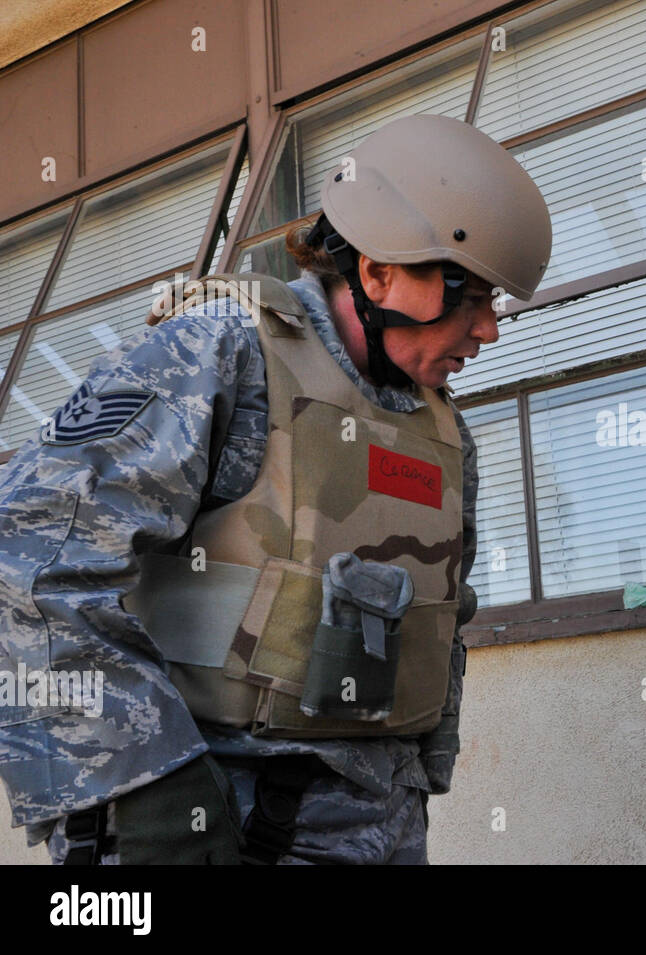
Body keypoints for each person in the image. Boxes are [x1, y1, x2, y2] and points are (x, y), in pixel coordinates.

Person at [0, 114, 551, 864]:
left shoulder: (446, 431)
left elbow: (442, 620)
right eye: (467, 294)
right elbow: (30, 558)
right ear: (379, 270)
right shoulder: (221, 350)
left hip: (378, 828)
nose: (486, 328)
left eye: (495, 303)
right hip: (213, 825)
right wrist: (148, 792)